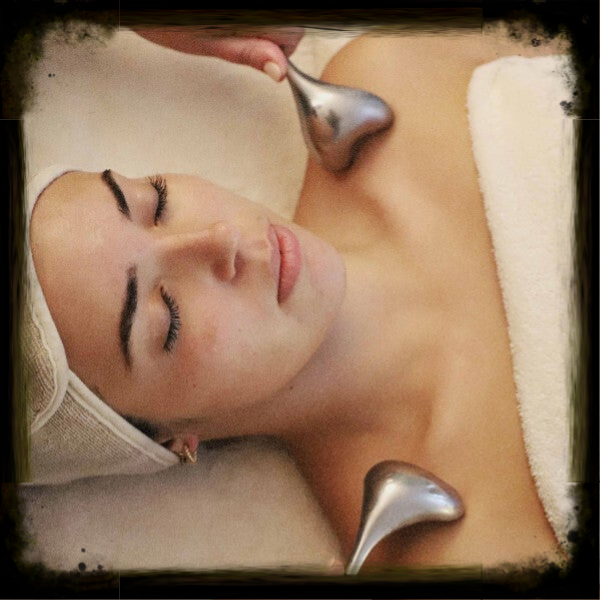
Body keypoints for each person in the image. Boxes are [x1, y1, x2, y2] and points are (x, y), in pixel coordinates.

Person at [25, 25, 570, 570]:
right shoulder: (457, 555)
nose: (220, 240)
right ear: (167, 440)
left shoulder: (393, 75)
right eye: (168, 316)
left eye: (156, 202)